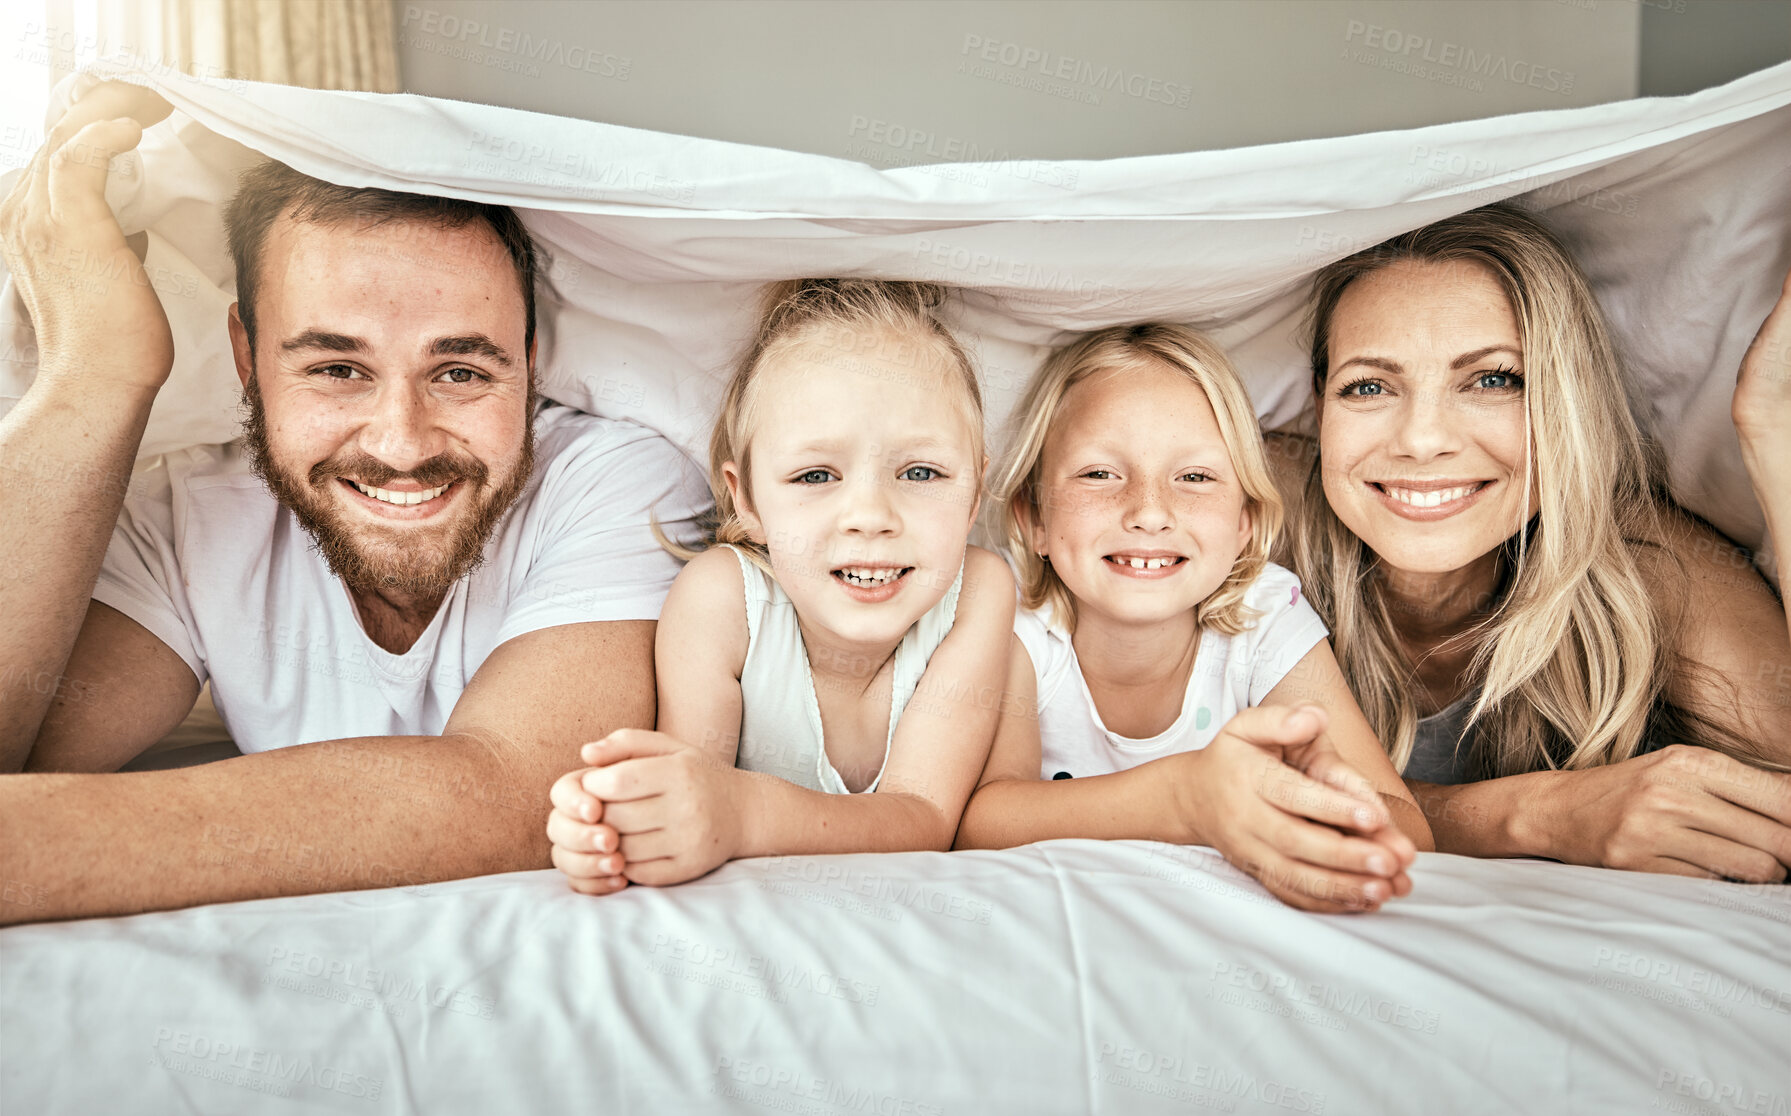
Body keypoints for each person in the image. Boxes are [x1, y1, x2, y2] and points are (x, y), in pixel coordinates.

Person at [0, 82, 706, 923]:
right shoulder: (188, 514)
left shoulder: (620, 482)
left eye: (461, 372)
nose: (402, 446)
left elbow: (521, 791)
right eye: (337, 370)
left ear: (531, 360)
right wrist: (96, 372)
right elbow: (23, 743)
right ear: (247, 356)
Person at [1271, 202, 1791, 881]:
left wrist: (1770, 425)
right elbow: (1134, 777)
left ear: (1563, 399)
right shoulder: (1243, 512)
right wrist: (1536, 814)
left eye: (1492, 380)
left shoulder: (1645, 563)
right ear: (1319, 405)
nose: (1422, 440)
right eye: (1367, 386)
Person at [547, 279, 1015, 891]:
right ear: (747, 502)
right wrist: (619, 827)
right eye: (816, 474)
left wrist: (741, 814)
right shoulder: (722, 601)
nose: (870, 516)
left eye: (921, 472)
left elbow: (923, 818)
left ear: (975, 493)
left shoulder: (979, 592)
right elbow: (690, 788)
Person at [955, 323, 1430, 913]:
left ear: (1244, 523)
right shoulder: (1017, 616)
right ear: (1033, 519)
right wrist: (1184, 798)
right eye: (1100, 473)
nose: (1150, 512)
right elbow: (981, 823)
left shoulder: (1262, 615)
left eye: (1195, 478)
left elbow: (1406, 829)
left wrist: (1326, 806)